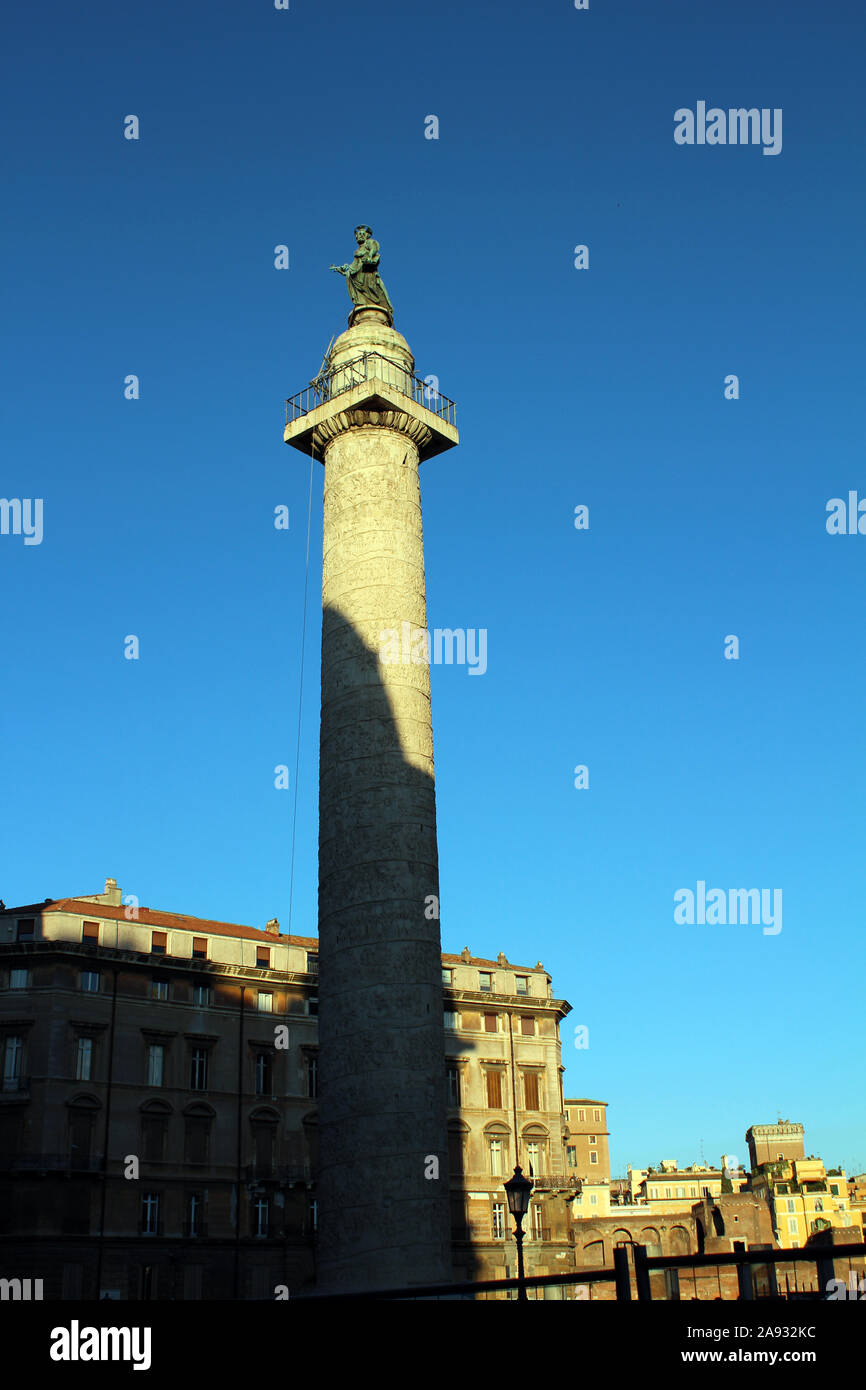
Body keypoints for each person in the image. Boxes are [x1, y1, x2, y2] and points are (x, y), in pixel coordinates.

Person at [330, 225, 394, 321]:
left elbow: (374, 248)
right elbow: (353, 267)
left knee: (373, 290)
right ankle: (362, 302)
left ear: (367, 236)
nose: (360, 236)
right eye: (358, 234)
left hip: (368, 273)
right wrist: (343, 270)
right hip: (359, 276)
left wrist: (369, 256)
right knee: (350, 277)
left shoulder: (369, 243)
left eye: (362, 234)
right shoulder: (357, 251)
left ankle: (374, 305)